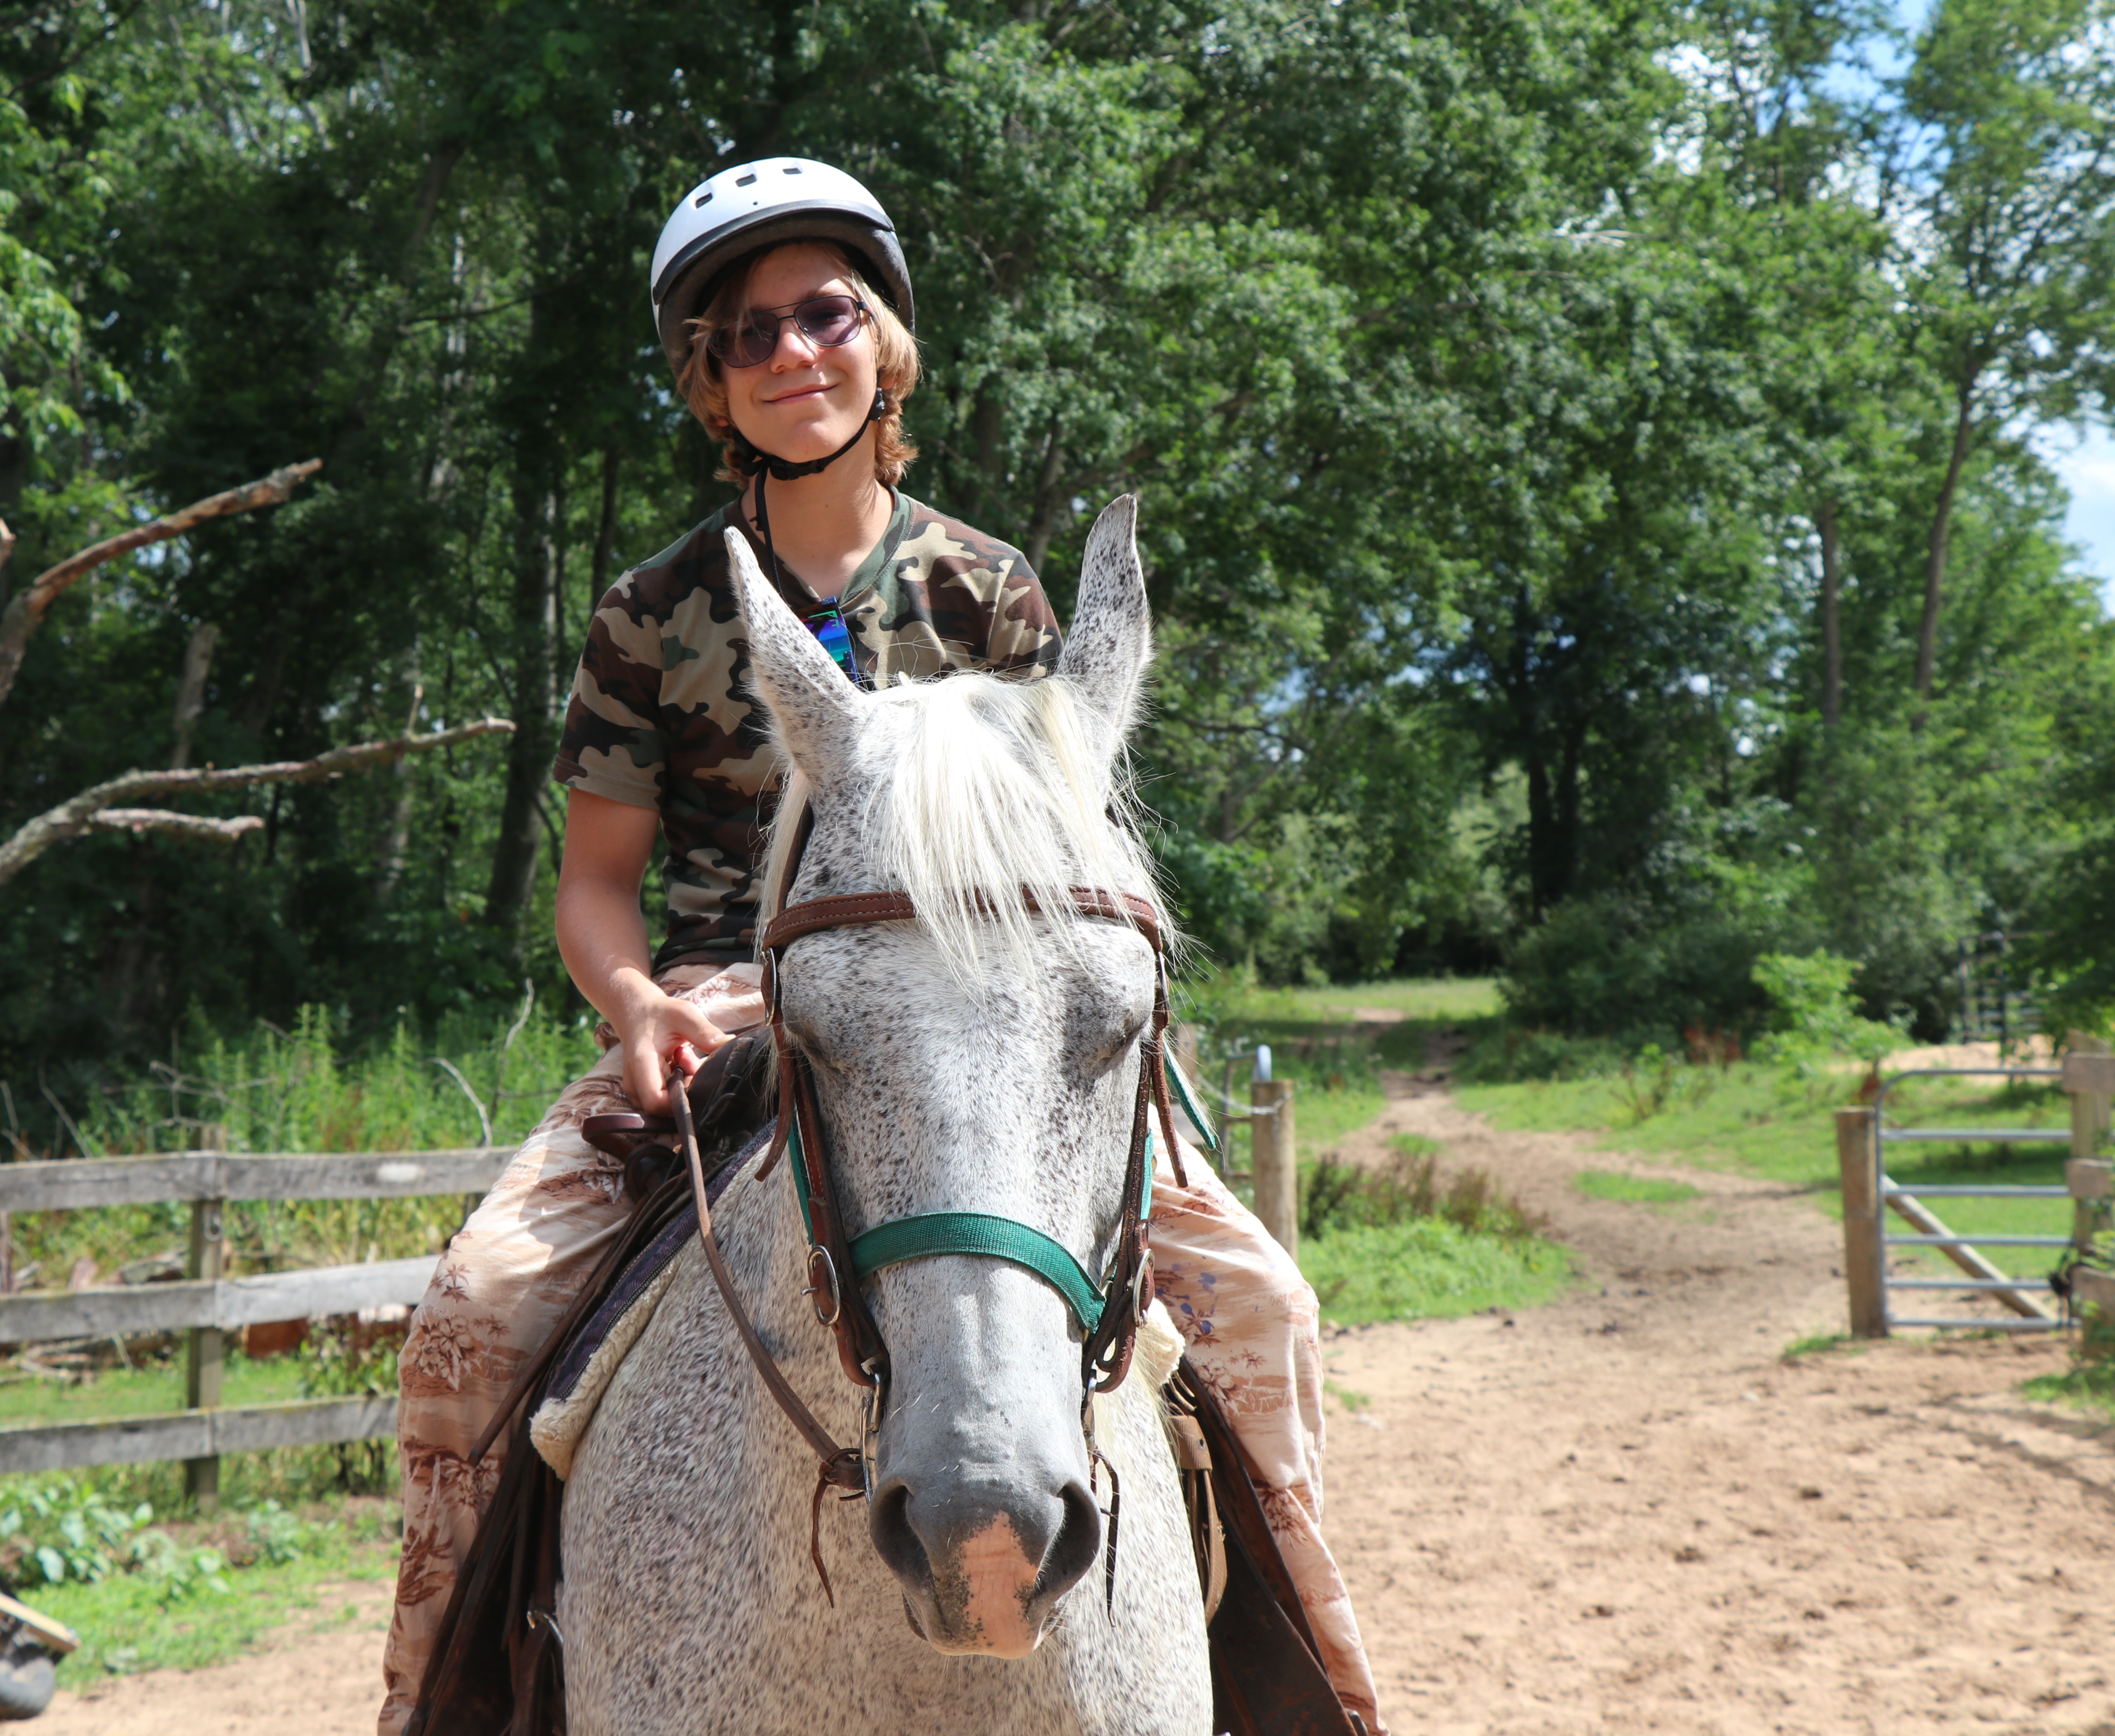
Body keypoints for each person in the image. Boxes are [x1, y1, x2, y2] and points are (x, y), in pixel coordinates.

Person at [381, 157, 1381, 1736]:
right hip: (728, 1005)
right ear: (711, 378)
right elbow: (595, 884)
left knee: (1260, 1310)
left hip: (996, 1013)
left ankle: (1295, 1684)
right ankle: (452, 1697)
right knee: (474, 1315)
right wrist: (633, 999)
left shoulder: (988, 588)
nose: (795, 352)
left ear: (886, 343)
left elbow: (1071, 857)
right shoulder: (656, 612)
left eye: (827, 314)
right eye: (751, 330)